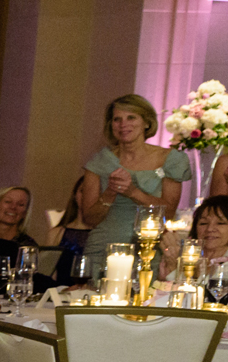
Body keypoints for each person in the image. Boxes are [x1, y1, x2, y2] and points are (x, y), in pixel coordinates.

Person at [78, 94, 190, 275]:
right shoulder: (99, 162)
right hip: (103, 249)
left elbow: (168, 212)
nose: (123, 125)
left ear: (146, 122)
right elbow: (89, 218)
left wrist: (132, 192)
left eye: (131, 117)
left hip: (148, 250)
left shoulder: (171, 159)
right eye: (117, 119)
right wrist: (110, 193)